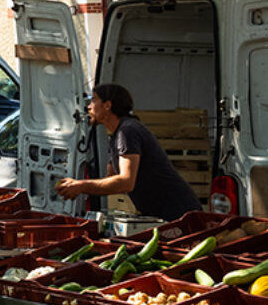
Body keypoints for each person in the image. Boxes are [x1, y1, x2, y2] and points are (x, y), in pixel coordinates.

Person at [56, 84, 202, 221]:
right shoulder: (115, 136)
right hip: (158, 215)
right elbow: (110, 179)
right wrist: (77, 187)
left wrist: (81, 186)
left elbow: (126, 182)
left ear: (108, 105)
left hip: (179, 214)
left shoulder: (128, 131)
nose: (89, 107)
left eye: (94, 101)